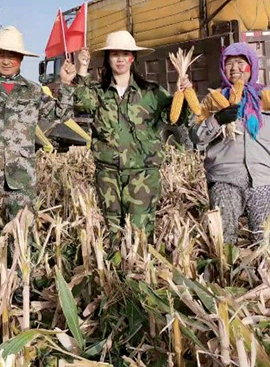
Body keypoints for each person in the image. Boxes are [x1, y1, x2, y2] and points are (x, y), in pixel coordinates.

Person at [0, 26, 76, 256]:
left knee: (23, 233)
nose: (6, 60)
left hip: (21, 172)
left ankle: (20, 285)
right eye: (1, 54)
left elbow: (61, 114)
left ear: (21, 59)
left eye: (12, 55)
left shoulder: (32, 90)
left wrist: (66, 83)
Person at [71, 30, 191, 239]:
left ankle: (140, 270)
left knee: (140, 234)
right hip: (108, 174)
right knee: (113, 234)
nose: (120, 59)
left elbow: (176, 119)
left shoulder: (151, 92)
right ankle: (116, 271)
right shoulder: (98, 91)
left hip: (142, 174)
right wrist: (82, 69)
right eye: (114, 54)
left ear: (132, 57)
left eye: (124, 54)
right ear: (108, 59)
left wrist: (185, 95)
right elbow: (82, 104)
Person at [190, 42, 270, 244]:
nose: (235, 68)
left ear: (251, 65)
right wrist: (216, 120)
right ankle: (227, 275)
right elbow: (196, 136)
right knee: (224, 240)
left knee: (265, 242)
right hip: (225, 177)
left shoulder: (266, 97)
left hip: (262, 178)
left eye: (241, 62)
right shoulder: (212, 100)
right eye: (229, 63)